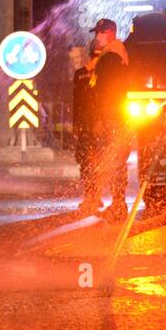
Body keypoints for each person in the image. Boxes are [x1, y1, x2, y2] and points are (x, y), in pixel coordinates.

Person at [86, 18, 130, 221]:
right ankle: (118, 204)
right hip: (115, 114)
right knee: (116, 160)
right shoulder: (112, 54)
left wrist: (100, 118)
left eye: (101, 33)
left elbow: (108, 91)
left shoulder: (111, 57)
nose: (97, 37)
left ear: (111, 32)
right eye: (97, 33)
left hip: (111, 115)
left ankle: (119, 206)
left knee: (115, 160)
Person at [71, 40, 100, 215]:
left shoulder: (80, 74)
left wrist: (76, 124)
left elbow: (77, 102)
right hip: (96, 123)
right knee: (89, 161)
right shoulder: (86, 73)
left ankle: (93, 197)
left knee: (87, 162)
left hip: (91, 123)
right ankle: (94, 197)